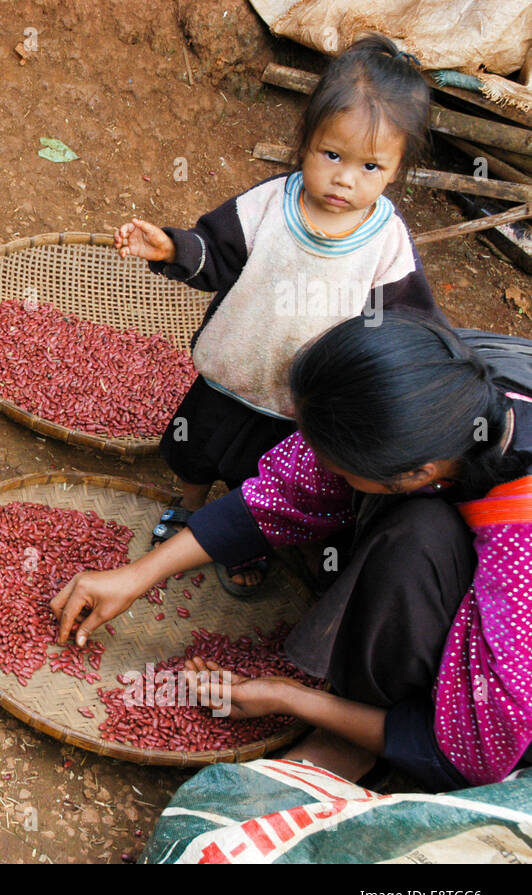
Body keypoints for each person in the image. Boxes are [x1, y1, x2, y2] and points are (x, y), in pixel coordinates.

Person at [51, 312, 532, 793]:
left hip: (513, 684)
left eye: (336, 465)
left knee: (416, 536)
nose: (315, 462)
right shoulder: (437, 382)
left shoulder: (519, 543)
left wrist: (294, 698)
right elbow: (285, 490)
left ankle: (357, 740)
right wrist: (139, 575)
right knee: (379, 518)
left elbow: (476, 755)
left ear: (417, 474)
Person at [113, 34, 441, 594]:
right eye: (331, 155)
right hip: (230, 369)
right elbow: (216, 252)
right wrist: (172, 249)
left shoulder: (385, 241)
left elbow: (405, 322)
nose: (344, 178)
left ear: (396, 171)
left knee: (262, 480)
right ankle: (188, 510)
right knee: (193, 451)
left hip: (300, 404)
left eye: (370, 166)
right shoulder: (271, 205)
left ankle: (242, 538)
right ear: (305, 142)